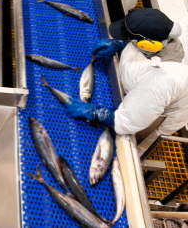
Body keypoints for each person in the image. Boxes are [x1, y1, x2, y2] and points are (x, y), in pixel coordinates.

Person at [64, 8, 188, 155]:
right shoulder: (162, 34)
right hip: (150, 92)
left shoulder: (160, 81)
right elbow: (139, 46)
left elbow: (127, 121)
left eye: (130, 40)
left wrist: (92, 111)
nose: (128, 42)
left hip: (155, 117)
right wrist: (118, 44)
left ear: (147, 45)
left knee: (139, 145)